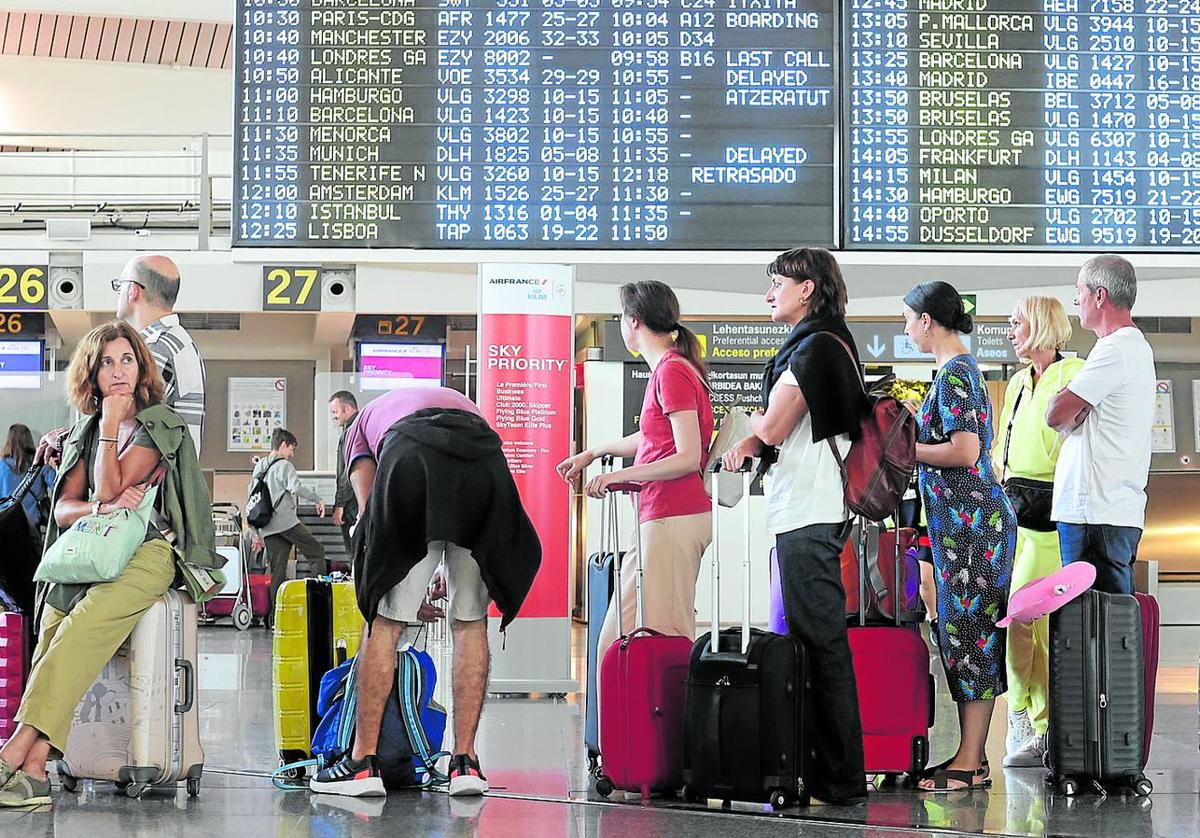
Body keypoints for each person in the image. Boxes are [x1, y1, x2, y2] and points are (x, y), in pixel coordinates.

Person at [0, 320, 222, 807]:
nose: (118, 371)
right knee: (53, 623)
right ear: (92, 374)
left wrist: (107, 438)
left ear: (141, 366)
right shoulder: (83, 428)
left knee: (83, 624)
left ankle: (13, 751)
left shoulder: (160, 422)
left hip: (152, 549)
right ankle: (36, 770)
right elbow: (68, 507)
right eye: (107, 362)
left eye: (127, 360)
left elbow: (104, 485)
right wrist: (103, 505)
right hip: (95, 545)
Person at [309, 386, 540, 798]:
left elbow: (369, 510)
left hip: (411, 455)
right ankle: (465, 763)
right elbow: (448, 505)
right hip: (484, 464)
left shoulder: (361, 425)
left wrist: (392, 568)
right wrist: (431, 563)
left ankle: (362, 764)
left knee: (384, 623)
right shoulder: (457, 401)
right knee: (470, 622)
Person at [721, 247, 868, 805]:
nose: (769, 295)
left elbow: (776, 427)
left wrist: (746, 432)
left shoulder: (812, 350)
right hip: (814, 509)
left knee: (822, 644)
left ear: (807, 288)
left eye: (777, 283)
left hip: (809, 511)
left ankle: (840, 779)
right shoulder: (830, 344)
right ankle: (825, 770)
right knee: (814, 642)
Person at [557, 281, 714, 664]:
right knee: (623, 638)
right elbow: (654, 436)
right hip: (664, 517)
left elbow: (687, 455)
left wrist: (618, 476)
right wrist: (596, 452)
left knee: (651, 638)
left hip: (672, 516)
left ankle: (665, 723)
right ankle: (629, 723)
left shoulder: (672, 372)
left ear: (634, 321)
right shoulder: (672, 369)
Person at [903, 281, 1016, 793]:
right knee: (962, 637)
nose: (906, 329)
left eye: (909, 319)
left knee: (972, 639)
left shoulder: (955, 374)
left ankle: (971, 762)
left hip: (975, 532)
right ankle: (970, 756)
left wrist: (905, 448)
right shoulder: (955, 373)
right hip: (960, 530)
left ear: (928, 320)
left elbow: (965, 452)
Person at [993, 297, 1084, 768]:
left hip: (1051, 515)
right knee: (1015, 621)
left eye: (1017, 321)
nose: (1010, 330)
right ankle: (1026, 715)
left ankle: (1042, 725)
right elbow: (1002, 448)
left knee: (1036, 622)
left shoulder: (1073, 373)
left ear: (1042, 324)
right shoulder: (1014, 383)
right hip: (1014, 513)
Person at [1046, 255, 1156, 596]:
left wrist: (1070, 400)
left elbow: (1056, 414)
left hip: (1095, 513)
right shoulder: (1120, 349)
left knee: (1095, 628)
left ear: (1099, 296)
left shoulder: (1117, 350)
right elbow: (1070, 412)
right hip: (1102, 513)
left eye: (1079, 291)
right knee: (1095, 628)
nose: (1076, 300)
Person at [37, 254, 208, 466]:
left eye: (119, 286)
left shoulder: (155, 347)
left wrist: (65, 441)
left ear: (133, 291)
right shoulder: (178, 342)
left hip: (145, 491)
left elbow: (122, 421)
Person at [249, 428, 328, 629]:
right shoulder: (284, 465)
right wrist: (317, 498)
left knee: (277, 571)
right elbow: (296, 488)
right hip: (286, 522)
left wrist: (255, 532)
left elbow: (251, 500)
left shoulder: (260, 467)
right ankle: (319, 605)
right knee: (317, 552)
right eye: (291, 449)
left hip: (267, 527)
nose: (292, 454)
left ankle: (276, 619)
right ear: (283, 445)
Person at [0, 423, 55, 533]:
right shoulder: (40, 464)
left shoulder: (1, 465)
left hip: (5, 522)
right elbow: (56, 484)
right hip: (31, 523)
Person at [329, 391, 360, 558]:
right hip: (363, 500)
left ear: (347, 409)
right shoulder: (364, 427)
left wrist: (340, 504)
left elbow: (348, 471)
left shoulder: (350, 433)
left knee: (354, 553)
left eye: (335, 412)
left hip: (352, 502)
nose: (334, 417)